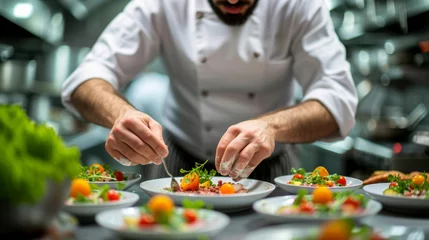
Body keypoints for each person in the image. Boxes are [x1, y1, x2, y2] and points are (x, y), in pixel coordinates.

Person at [62, 0, 358, 183]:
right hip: (178, 161)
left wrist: (271, 126)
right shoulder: (162, 4)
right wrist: (122, 114)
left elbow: (338, 98)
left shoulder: (300, 5)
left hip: (271, 164)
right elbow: (87, 79)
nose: (232, 0)